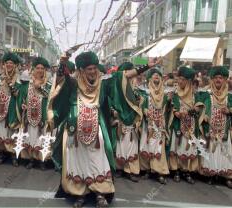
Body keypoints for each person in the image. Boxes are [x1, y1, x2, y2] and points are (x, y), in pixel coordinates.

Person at [51, 52, 160, 207]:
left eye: (95, 68)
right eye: (89, 69)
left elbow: (123, 76)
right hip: (75, 129)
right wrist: (62, 62)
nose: (93, 71)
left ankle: (100, 193)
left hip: (97, 129)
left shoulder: (104, 83)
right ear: (81, 70)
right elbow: (60, 78)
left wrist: (147, 67)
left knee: (98, 159)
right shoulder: (73, 83)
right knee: (77, 161)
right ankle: (80, 193)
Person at [169, 66, 204, 184]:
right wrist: (176, 112)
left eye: (183, 79)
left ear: (189, 81)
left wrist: (189, 112)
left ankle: (187, 171)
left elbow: (198, 108)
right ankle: (176, 171)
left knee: (188, 148)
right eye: (179, 79)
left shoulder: (195, 95)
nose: (180, 81)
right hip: (178, 125)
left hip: (191, 126)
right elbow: (171, 106)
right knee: (177, 146)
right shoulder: (175, 93)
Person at [199, 66, 232, 189]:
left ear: (224, 80)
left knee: (224, 153)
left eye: (221, 78)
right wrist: (205, 116)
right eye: (216, 77)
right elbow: (201, 108)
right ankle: (211, 175)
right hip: (210, 129)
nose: (218, 80)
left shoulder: (230, 96)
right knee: (211, 151)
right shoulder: (207, 94)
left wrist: (229, 110)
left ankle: (225, 177)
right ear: (212, 80)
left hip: (224, 129)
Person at [18, 57, 53, 170]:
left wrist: (40, 87)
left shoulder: (48, 83)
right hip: (30, 116)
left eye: (42, 68)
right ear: (34, 69)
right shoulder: (28, 83)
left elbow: (50, 96)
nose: (40, 70)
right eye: (37, 68)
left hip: (42, 117)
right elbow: (22, 97)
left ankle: (42, 161)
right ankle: (31, 159)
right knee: (31, 138)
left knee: (42, 138)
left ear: (45, 70)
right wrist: (23, 104)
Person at [110, 62, 143, 182]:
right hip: (120, 120)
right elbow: (110, 101)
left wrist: (139, 101)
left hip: (132, 120)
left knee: (132, 145)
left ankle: (131, 170)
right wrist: (114, 113)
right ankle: (119, 168)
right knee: (120, 144)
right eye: (129, 73)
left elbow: (140, 101)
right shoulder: (116, 87)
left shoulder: (135, 88)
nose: (132, 76)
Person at [139, 67, 170, 184]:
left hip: (159, 124)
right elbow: (141, 105)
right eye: (154, 74)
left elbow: (167, 110)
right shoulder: (145, 92)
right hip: (148, 124)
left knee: (158, 147)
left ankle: (158, 172)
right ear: (149, 78)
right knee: (147, 146)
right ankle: (147, 170)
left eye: (158, 75)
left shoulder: (165, 94)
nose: (156, 76)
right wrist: (145, 111)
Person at [0, 52, 21, 166]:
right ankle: (1, 155)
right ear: (4, 64)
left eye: (11, 63)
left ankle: (13, 156)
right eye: (7, 63)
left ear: (15, 65)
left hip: (12, 110)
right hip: (0, 109)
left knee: (12, 133)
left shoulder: (19, 79)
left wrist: (11, 84)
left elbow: (18, 95)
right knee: (0, 132)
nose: (9, 65)